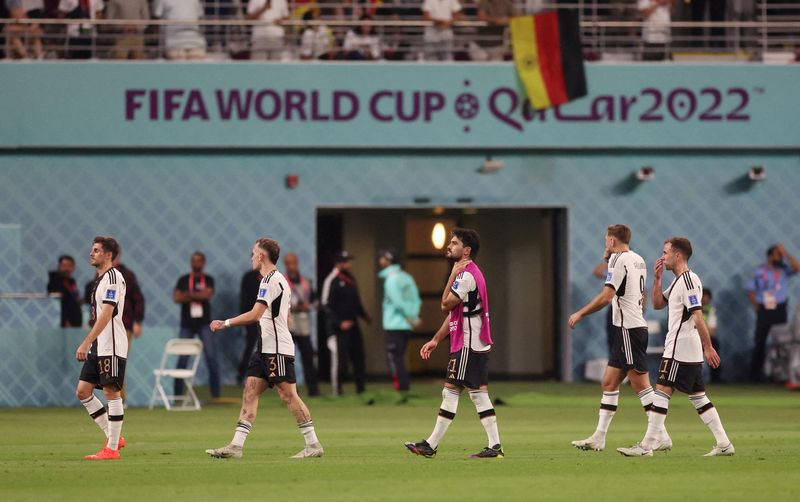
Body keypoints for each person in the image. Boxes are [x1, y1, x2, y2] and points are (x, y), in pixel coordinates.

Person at [205, 238, 323, 459]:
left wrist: (225, 323)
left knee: (288, 395)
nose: (251, 257)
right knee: (250, 391)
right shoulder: (276, 280)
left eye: (253, 253)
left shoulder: (271, 280)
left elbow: (255, 315)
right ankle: (236, 446)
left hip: (277, 349)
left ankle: (313, 444)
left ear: (261, 256)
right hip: (265, 348)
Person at [618, 237, 734, 457]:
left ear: (678, 255)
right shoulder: (680, 281)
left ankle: (647, 445)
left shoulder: (689, 281)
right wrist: (658, 278)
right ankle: (724, 443)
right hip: (685, 349)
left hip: (680, 349)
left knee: (661, 392)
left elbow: (698, 317)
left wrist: (708, 347)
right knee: (699, 397)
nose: (663, 256)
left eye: (665, 252)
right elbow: (658, 304)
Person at [568, 225, 670, 452]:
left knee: (641, 385)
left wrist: (580, 313)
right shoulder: (638, 258)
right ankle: (599, 437)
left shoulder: (618, 260)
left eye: (606, 240)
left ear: (613, 241)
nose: (605, 244)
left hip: (628, 329)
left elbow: (607, 296)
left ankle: (660, 435)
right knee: (609, 382)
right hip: (631, 327)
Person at [405, 228, 504, 459]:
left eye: (454, 243)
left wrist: (451, 275)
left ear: (466, 250)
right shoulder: (470, 273)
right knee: (477, 394)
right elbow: (455, 313)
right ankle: (495, 446)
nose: (449, 246)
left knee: (451, 392)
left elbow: (445, 305)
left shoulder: (466, 275)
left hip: (467, 345)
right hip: (474, 342)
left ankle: (431, 445)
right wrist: (436, 339)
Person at [74, 236, 127, 460]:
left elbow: (107, 313)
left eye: (96, 250)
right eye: (92, 249)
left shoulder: (114, 277)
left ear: (108, 255)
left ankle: (112, 449)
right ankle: (113, 436)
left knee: (111, 392)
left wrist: (86, 341)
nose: (91, 253)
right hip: (99, 345)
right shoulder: (100, 279)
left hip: (111, 344)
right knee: (83, 391)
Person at [745, 243, 799, 383]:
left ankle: (781, 375)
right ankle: (754, 376)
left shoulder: (784, 269)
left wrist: (786, 253)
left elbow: (797, 267)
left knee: (782, 342)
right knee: (760, 342)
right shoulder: (760, 271)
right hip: (764, 309)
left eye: (781, 255)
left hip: (780, 309)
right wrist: (757, 308)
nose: (780, 257)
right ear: (770, 255)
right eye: (778, 254)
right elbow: (751, 291)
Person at [321, 251, 371, 396]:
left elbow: (356, 302)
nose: (350, 264)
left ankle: (361, 389)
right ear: (339, 263)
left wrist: (364, 316)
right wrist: (339, 322)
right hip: (337, 329)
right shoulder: (332, 279)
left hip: (353, 325)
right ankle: (338, 391)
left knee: (358, 357)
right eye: (347, 261)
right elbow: (325, 305)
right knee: (340, 361)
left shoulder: (350, 279)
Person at [173, 251, 220, 400]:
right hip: (187, 324)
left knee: (211, 357)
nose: (196, 263)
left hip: (204, 324)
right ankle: (177, 396)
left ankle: (215, 395)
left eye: (199, 261)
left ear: (203, 262)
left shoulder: (209, 279)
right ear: (191, 262)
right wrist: (198, 295)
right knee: (182, 358)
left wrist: (187, 294)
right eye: (194, 260)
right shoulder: (184, 279)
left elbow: (207, 295)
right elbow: (176, 297)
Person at [377, 247, 421, 399]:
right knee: (399, 357)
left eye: (382, 257)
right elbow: (415, 298)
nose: (380, 260)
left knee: (394, 359)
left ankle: (401, 389)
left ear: (388, 260)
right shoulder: (405, 277)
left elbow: (397, 301)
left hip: (395, 324)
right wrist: (414, 316)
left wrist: (410, 316)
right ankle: (404, 387)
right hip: (405, 325)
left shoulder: (392, 278)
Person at [111, 248, 145, 404]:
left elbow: (138, 299)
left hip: (124, 325)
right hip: (103, 327)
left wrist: (138, 322)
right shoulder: (101, 275)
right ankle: (112, 397)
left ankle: (119, 399)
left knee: (119, 361)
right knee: (105, 363)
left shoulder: (127, 275)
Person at [284, 252, 320, 397]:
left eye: (294, 263)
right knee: (287, 359)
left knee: (308, 358)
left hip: (304, 325)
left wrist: (308, 306)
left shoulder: (306, 281)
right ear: (285, 265)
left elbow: (316, 301)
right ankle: (290, 392)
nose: (292, 266)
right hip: (288, 324)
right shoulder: (282, 281)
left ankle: (313, 390)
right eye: (289, 263)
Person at [236, 268, 262, 385]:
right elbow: (244, 298)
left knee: (270, 348)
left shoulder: (271, 276)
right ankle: (241, 376)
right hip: (251, 318)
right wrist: (243, 319)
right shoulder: (248, 277)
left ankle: (273, 378)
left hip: (267, 318)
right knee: (250, 346)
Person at [47, 254, 83, 328]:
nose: (67, 268)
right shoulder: (55, 281)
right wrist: (65, 320)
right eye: (64, 265)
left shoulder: (72, 282)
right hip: (62, 324)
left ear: (73, 268)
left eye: (69, 266)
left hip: (75, 322)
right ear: (59, 267)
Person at [702, 288, 721, 383]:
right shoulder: (692, 308)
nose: (704, 300)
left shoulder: (711, 311)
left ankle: (715, 377)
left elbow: (712, 331)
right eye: (703, 297)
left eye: (707, 298)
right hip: (693, 338)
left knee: (715, 344)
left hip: (706, 338)